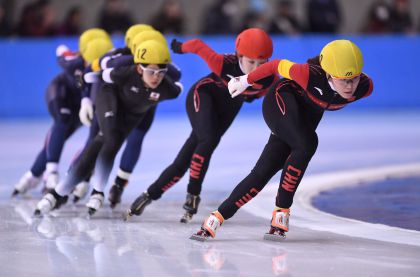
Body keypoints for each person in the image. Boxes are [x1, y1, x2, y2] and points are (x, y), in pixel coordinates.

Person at [191, 39, 374, 241]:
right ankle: (282, 213)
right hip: (281, 100)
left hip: (304, 118)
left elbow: (349, 86)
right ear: (329, 73)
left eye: (354, 79)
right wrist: (245, 81)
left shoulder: (365, 87)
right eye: (344, 80)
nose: (350, 86)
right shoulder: (308, 74)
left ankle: (215, 218)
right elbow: (276, 64)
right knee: (307, 143)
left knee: (265, 170)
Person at [124, 28, 278, 223]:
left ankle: (148, 195)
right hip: (203, 95)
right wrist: (180, 47)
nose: (256, 69)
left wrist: (258, 100)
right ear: (239, 55)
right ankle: (193, 194)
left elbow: (271, 94)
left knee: (189, 156)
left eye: (261, 63)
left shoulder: (270, 77)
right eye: (251, 62)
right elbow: (198, 46)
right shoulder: (224, 63)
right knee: (208, 139)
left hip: (228, 108)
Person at [34, 39, 183, 216]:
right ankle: (76, 191)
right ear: (139, 68)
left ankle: (78, 191)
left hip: (130, 117)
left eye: (161, 72)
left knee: (109, 144)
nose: (156, 77)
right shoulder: (126, 72)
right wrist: (85, 89)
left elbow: (178, 86)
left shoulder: (168, 89)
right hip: (109, 99)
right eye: (151, 71)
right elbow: (97, 74)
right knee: (107, 136)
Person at [11, 34, 112, 197]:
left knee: (88, 136)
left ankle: (33, 175)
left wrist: (83, 176)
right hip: (61, 94)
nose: (93, 70)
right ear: (83, 56)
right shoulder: (75, 62)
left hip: (81, 105)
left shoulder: (108, 72)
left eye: (98, 67)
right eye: (90, 64)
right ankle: (51, 173)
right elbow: (60, 51)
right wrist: (71, 53)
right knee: (62, 122)